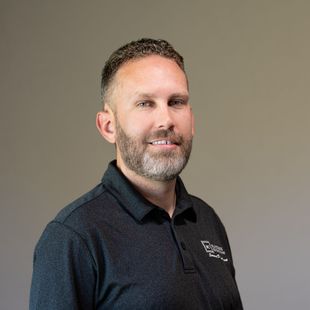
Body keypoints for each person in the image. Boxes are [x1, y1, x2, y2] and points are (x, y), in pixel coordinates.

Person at [30, 38, 243, 309]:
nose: (166, 120)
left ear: (192, 120)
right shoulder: (74, 236)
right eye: (145, 103)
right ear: (108, 126)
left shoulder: (207, 221)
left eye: (176, 102)